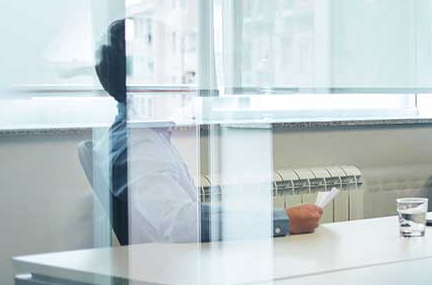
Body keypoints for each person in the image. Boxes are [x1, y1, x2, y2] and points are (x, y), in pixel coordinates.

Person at [93, 20, 321, 243]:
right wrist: (283, 220)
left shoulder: (141, 136)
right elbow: (182, 224)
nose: (189, 78)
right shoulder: (138, 148)